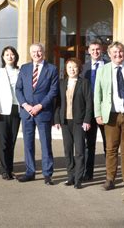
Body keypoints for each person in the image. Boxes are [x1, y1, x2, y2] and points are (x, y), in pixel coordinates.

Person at [94, 41, 124, 192]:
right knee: (111, 149)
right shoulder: (103, 70)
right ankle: (110, 179)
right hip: (111, 116)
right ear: (109, 54)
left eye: (120, 52)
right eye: (114, 52)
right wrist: (98, 113)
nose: (118, 55)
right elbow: (98, 94)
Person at [15, 43, 59, 185]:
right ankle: (30, 172)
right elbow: (18, 89)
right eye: (34, 52)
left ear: (43, 52)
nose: (36, 54)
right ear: (30, 53)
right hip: (27, 112)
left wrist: (40, 106)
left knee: (45, 144)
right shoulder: (25, 68)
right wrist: (25, 105)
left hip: (43, 112)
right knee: (28, 144)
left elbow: (53, 91)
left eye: (39, 51)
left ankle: (47, 174)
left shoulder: (52, 69)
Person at [54, 58, 93, 189]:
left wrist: (87, 120)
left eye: (74, 67)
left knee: (80, 151)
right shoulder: (62, 83)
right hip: (65, 122)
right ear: (66, 69)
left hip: (79, 122)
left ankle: (78, 179)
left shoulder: (84, 83)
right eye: (69, 67)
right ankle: (70, 177)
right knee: (68, 150)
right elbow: (58, 103)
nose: (72, 69)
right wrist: (57, 120)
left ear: (79, 69)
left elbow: (89, 103)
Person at [0, 46, 21, 180]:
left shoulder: (20, 72)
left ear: (16, 56)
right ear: (3, 57)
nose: (10, 56)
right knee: (3, 141)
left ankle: (10, 169)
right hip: (2, 111)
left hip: (17, 109)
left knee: (12, 141)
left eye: (12, 54)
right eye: (7, 54)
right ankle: (4, 170)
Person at [80, 40, 108, 181]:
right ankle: (88, 173)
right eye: (93, 49)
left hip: (105, 111)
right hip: (89, 111)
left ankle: (110, 174)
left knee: (108, 145)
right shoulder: (83, 68)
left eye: (98, 49)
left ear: (102, 50)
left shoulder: (109, 66)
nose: (95, 52)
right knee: (88, 145)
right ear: (89, 51)